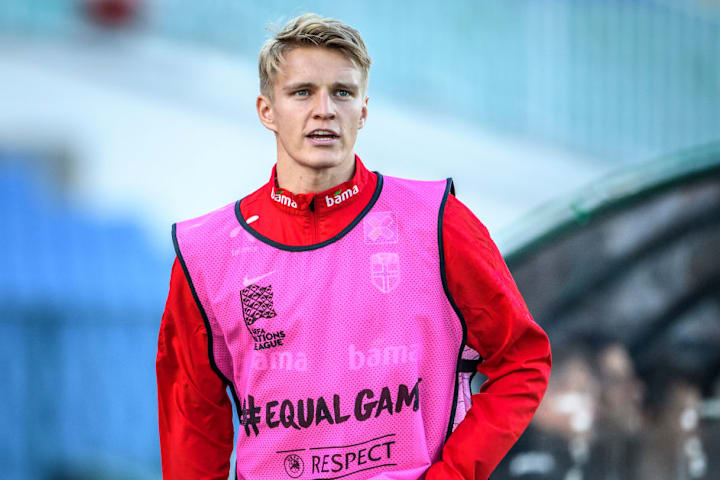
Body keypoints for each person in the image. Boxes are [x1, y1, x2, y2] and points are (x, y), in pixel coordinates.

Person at [156, 13, 551, 480]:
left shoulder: (436, 220)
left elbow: (523, 359)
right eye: (302, 92)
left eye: (341, 92)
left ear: (362, 110)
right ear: (267, 110)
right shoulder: (208, 251)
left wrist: (454, 474)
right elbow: (191, 417)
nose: (324, 109)